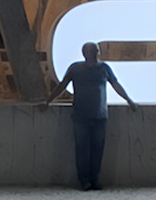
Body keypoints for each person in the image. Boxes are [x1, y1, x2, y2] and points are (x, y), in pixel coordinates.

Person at [45, 42, 137, 191]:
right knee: (84, 149)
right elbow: (62, 86)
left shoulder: (101, 68)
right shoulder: (78, 68)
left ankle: (93, 179)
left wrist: (129, 100)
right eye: (94, 50)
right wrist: (48, 101)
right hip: (83, 115)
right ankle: (85, 180)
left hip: (98, 115)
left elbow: (116, 85)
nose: (95, 53)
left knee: (95, 149)